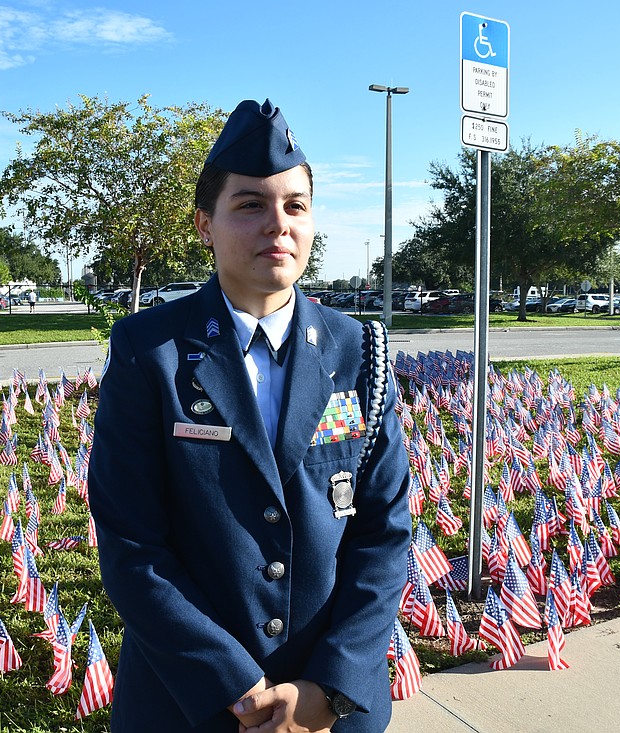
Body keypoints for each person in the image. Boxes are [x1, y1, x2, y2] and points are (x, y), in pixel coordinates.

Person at [88, 99, 411, 732]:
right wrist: (237, 688)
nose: (278, 226)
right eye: (250, 206)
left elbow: (383, 531)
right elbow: (132, 545)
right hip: (192, 701)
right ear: (205, 225)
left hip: (331, 705)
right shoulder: (149, 353)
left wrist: (329, 686)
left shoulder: (357, 352)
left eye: (295, 205)